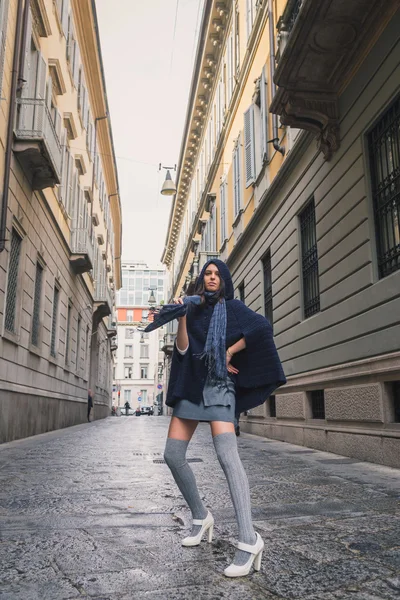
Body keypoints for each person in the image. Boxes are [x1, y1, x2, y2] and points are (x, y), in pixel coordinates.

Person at [163, 259, 286, 577]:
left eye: (217, 273)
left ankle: (249, 539)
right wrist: (180, 319)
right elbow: (183, 350)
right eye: (208, 273)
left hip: (218, 388)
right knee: (173, 456)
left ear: (225, 279)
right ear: (202, 279)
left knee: (227, 457)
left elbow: (261, 327)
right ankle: (201, 516)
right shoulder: (192, 309)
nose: (212, 277)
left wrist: (230, 351)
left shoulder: (232, 308)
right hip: (191, 385)